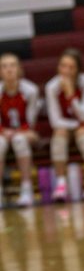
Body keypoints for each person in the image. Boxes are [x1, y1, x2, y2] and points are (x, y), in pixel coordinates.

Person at [44, 49, 84, 201]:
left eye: (71, 67)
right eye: (63, 66)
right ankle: (61, 183)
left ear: (78, 69)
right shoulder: (51, 87)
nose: (66, 71)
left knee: (82, 133)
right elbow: (55, 121)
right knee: (59, 133)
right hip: (74, 126)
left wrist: (71, 95)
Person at [0, 52, 40, 208]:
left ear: (19, 69)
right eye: (4, 66)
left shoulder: (31, 90)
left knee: (19, 140)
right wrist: (4, 131)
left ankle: (27, 189)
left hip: (26, 132)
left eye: (12, 65)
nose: (9, 69)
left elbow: (30, 122)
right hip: (4, 133)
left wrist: (15, 132)